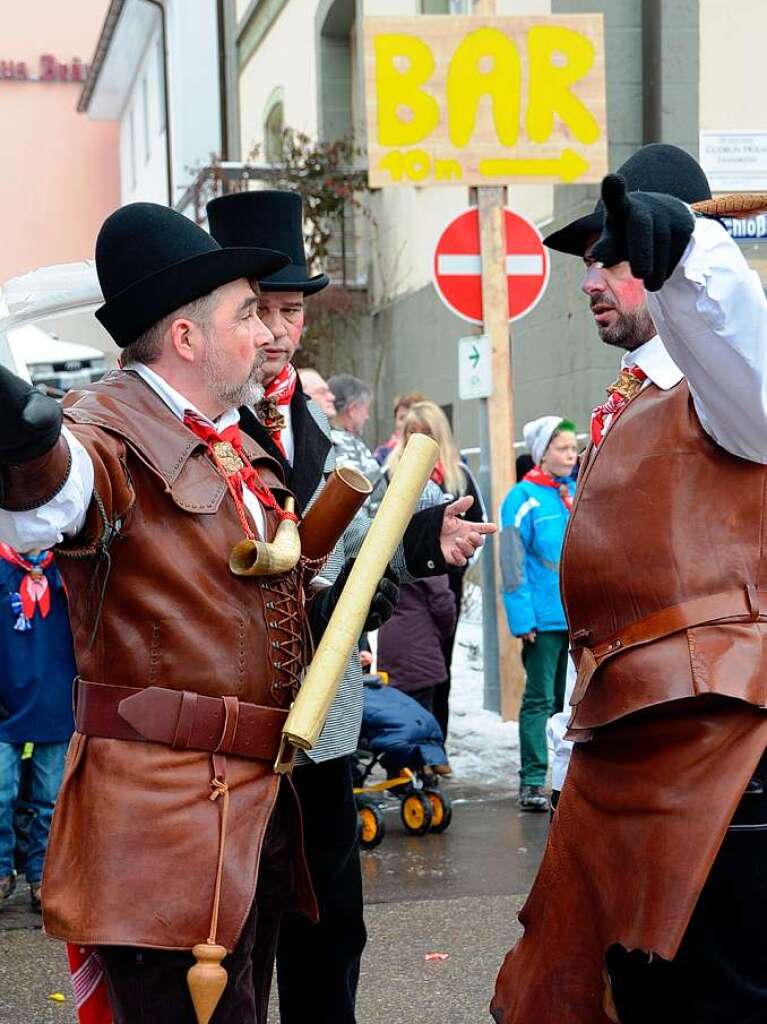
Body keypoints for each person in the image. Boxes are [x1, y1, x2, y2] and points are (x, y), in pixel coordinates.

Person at [0, 202, 401, 1024]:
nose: (267, 333)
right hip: (163, 824)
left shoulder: (237, 439)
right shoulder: (105, 431)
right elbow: (51, 498)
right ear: (186, 338)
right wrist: (23, 430)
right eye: (247, 313)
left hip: (251, 811)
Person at [491, 144, 767, 1024]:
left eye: (612, 258)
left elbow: (749, 362)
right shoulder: (641, 388)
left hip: (720, 766)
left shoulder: (723, 382)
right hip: (633, 748)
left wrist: (687, 250)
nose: (588, 280)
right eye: (588, 262)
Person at [206, 188, 495, 1024]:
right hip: (224, 728)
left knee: (327, 926)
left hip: (323, 726)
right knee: (224, 938)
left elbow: (365, 542)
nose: (275, 332)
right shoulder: (193, 425)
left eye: (290, 311)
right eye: (258, 309)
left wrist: (423, 533)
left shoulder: (321, 434)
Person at [386, 400, 485, 745]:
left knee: (441, 664)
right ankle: (407, 743)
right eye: (413, 433)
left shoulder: (458, 475)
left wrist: (458, 560)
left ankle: (435, 742)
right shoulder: (389, 473)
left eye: (426, 433)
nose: (420, 440)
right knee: (405, 666)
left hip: (447, 584)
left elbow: (476, 524)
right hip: (404, 589)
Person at [499, 416, 577, 812]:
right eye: (563, 449)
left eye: (573, 448)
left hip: (577, 616)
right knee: (540, 699)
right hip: (542, 619)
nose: (572, 454)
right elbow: (512, 562)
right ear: (543, 453)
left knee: (572, 705)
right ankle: (532, 780)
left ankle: (569, 780)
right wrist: (521, 617)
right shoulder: (521, 498)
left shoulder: (574, 491)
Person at [0, 545, 75, 913]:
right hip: (5, 705)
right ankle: (1, 872)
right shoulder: (2, 567)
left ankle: (41, 875)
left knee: (49, 801)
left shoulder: (66, 569)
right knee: (1, 793)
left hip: (55, 701)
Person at [377, 573, 457, 718]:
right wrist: (442, 632)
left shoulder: (389, 555)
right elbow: (443, 604)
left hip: (389, 639)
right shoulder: (428, 558)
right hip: (419, 644)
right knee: (419, 719)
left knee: (397, 712)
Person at [373, 391, 426, 466]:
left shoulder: (432, 454)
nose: (406, 424)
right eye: (402, 418)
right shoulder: (382, 455)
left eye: (410, 418)